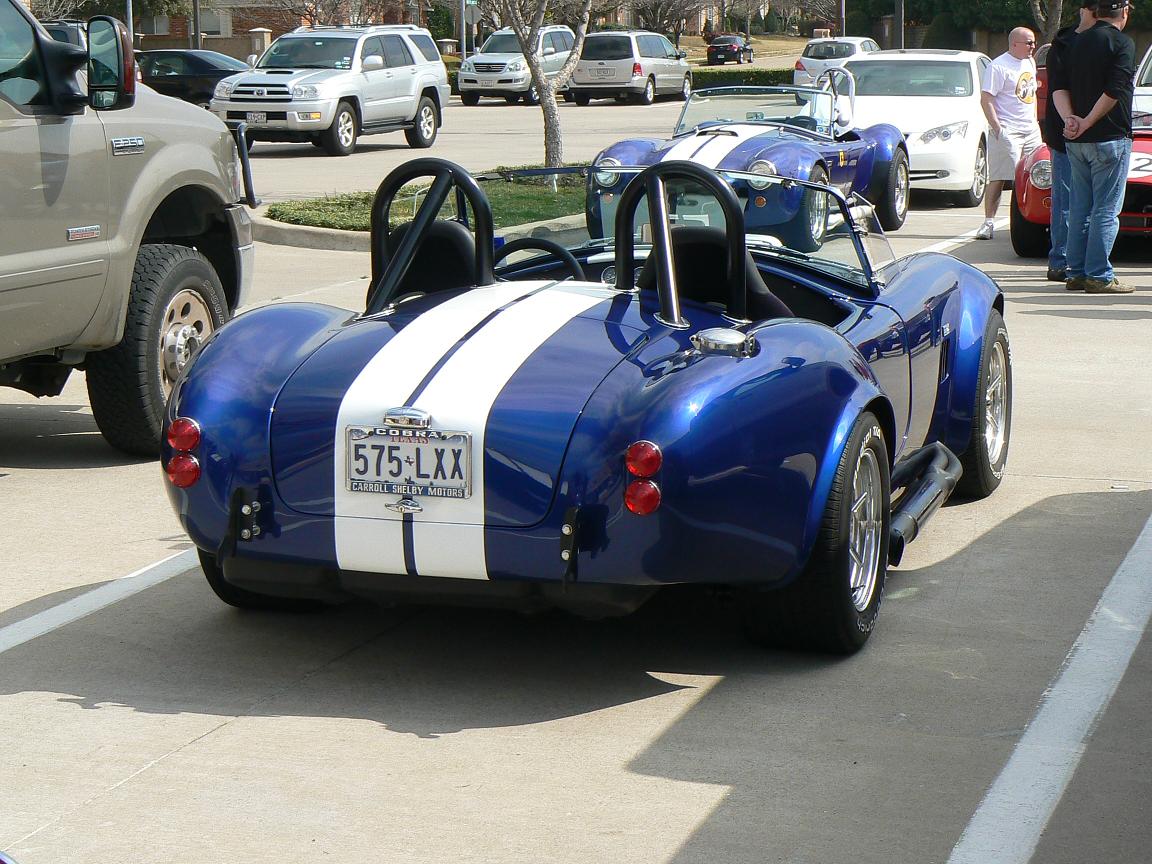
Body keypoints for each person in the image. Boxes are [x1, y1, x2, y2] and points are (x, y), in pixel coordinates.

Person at [1053, 0, 1136, 293]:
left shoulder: (1074, 41)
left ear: (1096, 11)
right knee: (1105, 210)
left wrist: (1071, 120)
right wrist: (1087, 121)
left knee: (1079, 208)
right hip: (1110, 137)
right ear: (1123, 12)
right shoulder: (1121, 42)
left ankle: (1075, 271)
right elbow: (1116, 89)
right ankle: (1099, 274)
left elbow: (1058, 86)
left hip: (1076, 139)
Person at [1042, 1, 1098, 285]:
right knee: (1071, 201)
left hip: (1064, 128)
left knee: (1068, 201)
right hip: (1075, 130)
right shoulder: (1075, 45)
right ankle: (1064, 260)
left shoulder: (1061, 44)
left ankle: (1062, 260)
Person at [976, 28, 1043, 240]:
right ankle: (988, 222)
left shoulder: (1029, 63)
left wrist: (1034, 121)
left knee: (1037, 176)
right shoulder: (998, 66)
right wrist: (998, 130)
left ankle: (1030, 221)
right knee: (1001, 177)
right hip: (1008, 130)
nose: (1033, 46)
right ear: (1014, 44)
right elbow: (986, 99)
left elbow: (1031, 95)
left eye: (1033, 43)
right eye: (1029, 43)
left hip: (1030, 129)